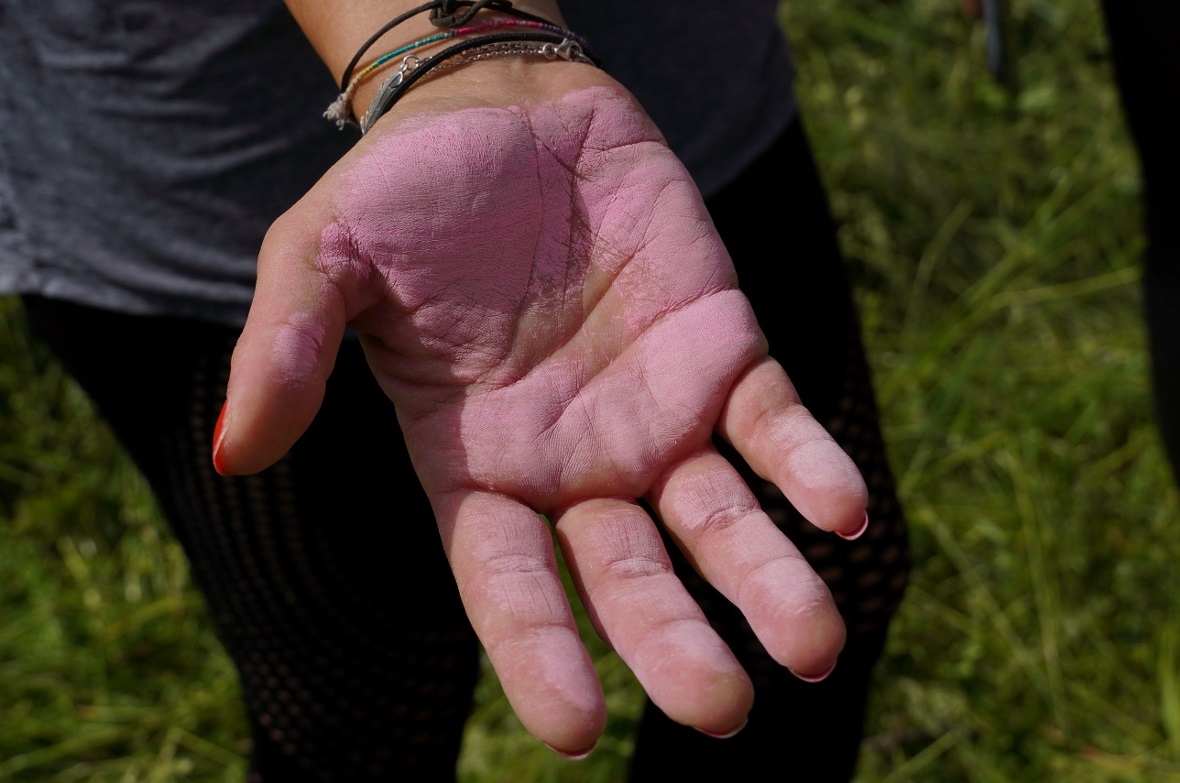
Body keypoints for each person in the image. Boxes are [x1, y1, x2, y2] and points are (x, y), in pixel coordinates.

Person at [0, 0, 910, 779]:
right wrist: (455, 53)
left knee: (821, 588)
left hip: (661, 112)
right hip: (210, 154)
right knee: (364, 706)